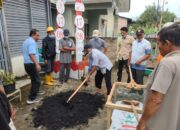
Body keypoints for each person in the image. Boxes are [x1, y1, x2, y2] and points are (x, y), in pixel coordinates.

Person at [137, 24, 180, 130]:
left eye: (159, 43)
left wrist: (141, 124)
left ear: (168, 44)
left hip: (161, 124)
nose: (158, 47)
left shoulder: (168, 63)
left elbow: (156, 99)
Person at [22, 29, 43, 104]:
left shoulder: (26, 41)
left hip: (27, 64)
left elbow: (31, 53)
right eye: (37, 35)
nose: (39, 37)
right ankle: (31, 99)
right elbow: (31, 54)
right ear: (33, 35)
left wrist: (38, 55)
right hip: (31, 64)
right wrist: (37, 64)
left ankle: (35, 92)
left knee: (34, 80)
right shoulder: (32, 42)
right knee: (37, 81)